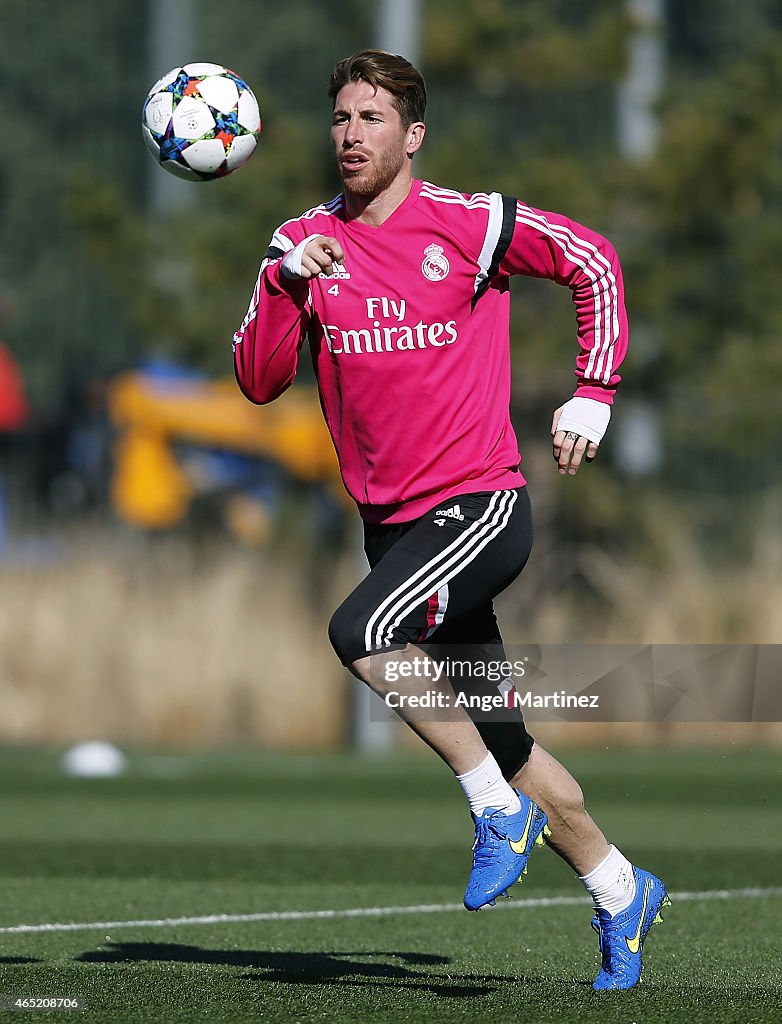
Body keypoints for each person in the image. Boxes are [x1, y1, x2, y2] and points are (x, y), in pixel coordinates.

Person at [233, 48, 668, 991]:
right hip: (393, 528)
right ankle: (618, 885)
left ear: (412, 136)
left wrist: (595, 389)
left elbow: (591, 258)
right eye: (341, 118)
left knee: (360, 630)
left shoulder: (468, 224)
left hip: (478, 507)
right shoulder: (305, 239)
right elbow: (260, 382)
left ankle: (492, 811)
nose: (352, 135)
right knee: (502, 736)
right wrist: (282, 282)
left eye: (373, 119)